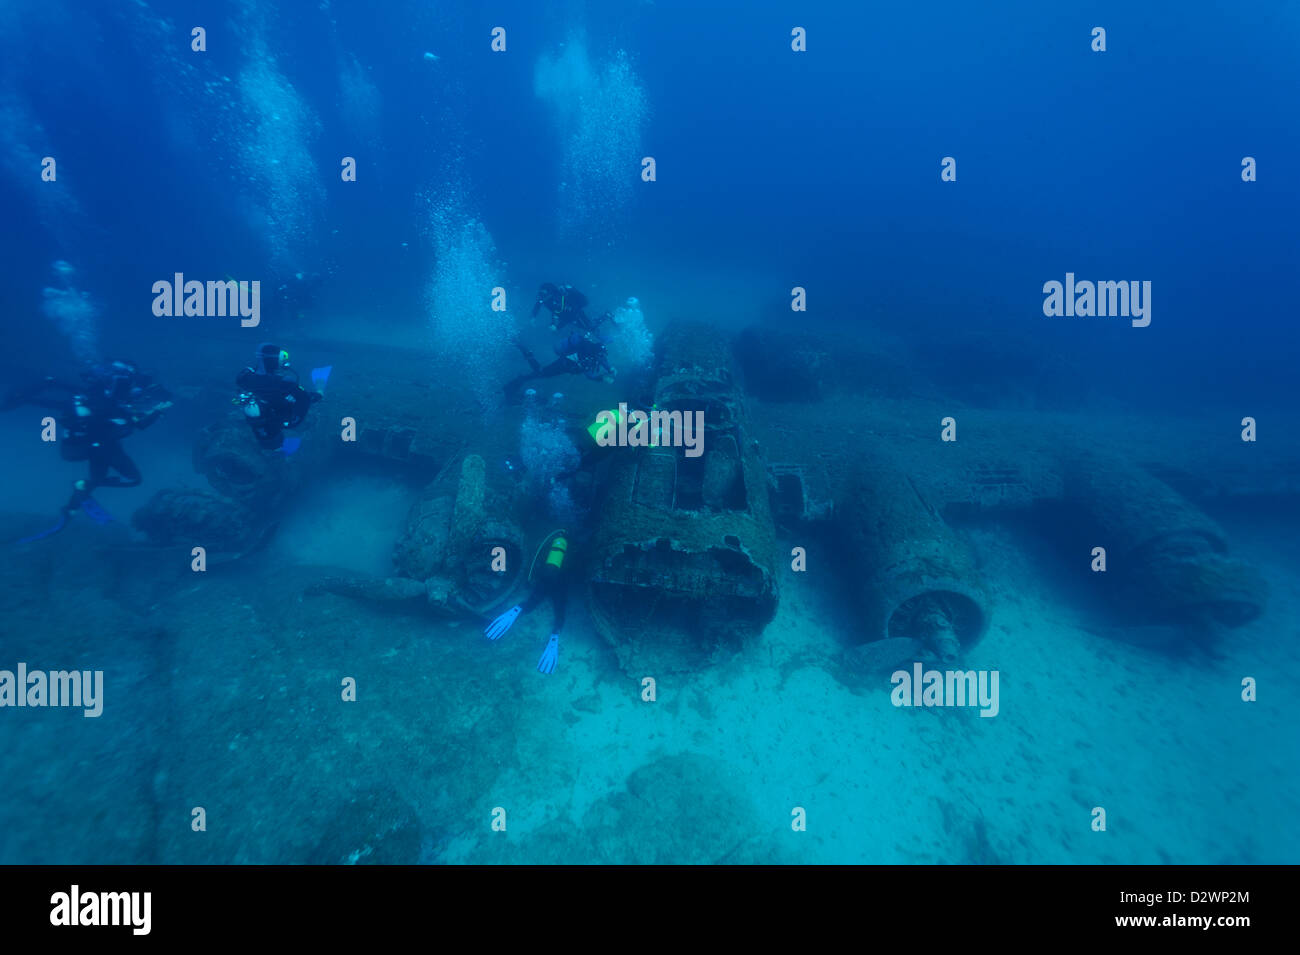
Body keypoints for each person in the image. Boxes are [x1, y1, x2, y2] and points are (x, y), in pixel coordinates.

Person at [2, 362, 172, 539]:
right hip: (104, 446)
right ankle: (78, 494)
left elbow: (60, 402)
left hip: (92, 446)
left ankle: (70, 509)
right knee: (133, 479)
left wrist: (30, 398)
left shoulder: (94, 396)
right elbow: (140, 423)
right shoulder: (114, 401)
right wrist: (160, 410)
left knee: (95, 479)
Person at [483, 530, 570, 674]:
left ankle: (517, 609)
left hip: (545, 578)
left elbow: (537, 559)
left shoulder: (549, 542)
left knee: (533, 601)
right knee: (560, 610)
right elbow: (570, 572)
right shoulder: (569, 551)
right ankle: (555, 634)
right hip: (560, 583)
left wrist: (534, 577)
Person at [234, 344, 329, 454]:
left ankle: (275, 446)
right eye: (282, 358)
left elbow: (245, 381)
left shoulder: (245, 376)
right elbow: (305, 399)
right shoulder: (285, 382)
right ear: (274, 360)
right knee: (313, 396)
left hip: (261, 421)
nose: (284, 361)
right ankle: (320, 389)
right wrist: (319, 394)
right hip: (279, 422)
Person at [504, 330, 617, 402]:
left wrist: (610, 368)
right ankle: (526, 352)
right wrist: (602, 378)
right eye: (606, 348)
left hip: (566, 366)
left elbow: (602, 360)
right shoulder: (587, 357)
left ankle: (521, 378)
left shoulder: (595, 352)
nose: (604, 354)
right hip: (563, 365)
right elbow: (590, 376)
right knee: (540, 372)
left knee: (540, 374)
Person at [532, 283, 608, 334]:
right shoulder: (548, 300)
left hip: (576, 315)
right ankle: (596, 319)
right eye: (540, 293)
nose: (541, 296)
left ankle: (606, 316)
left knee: (589, 329)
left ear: (550, 293)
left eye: (543, 294)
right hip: (569, 315)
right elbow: (539, 304)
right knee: (586, 327)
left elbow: (569, 317)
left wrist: (557, 327)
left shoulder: (560, 300)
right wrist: (533, 317)